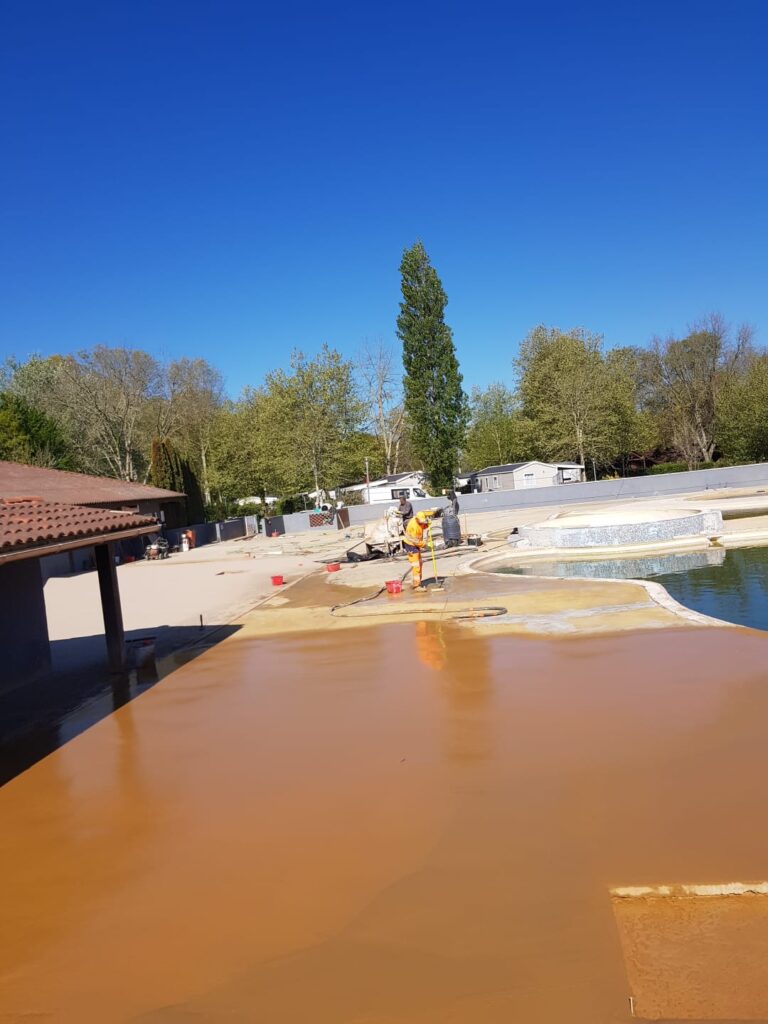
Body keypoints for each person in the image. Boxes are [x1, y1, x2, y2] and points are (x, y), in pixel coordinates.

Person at [403, 509, 437, 590]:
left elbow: (422, 525)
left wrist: (427, 524)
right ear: (417, 519)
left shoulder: (419, 521)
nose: (422, 522)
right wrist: (426, 545)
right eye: (421, 521)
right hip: (411, 545)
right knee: (416, 565)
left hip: (415, 544)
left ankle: (418, 581)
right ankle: (416, 585)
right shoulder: (413, 526)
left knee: (420, 563)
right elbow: (416, 541)